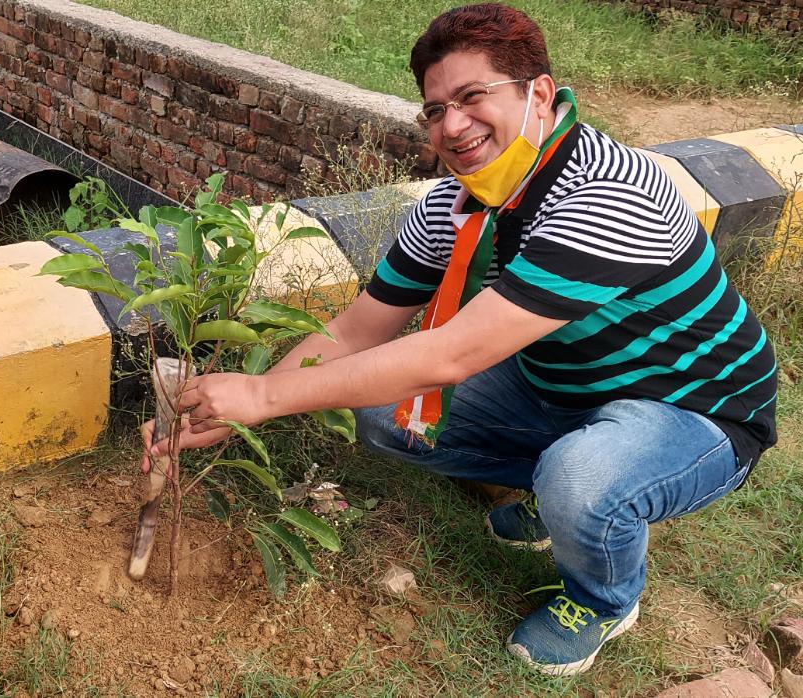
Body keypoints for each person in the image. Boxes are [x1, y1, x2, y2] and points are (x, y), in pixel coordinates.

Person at [146, 3, 777, 676]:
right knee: (385, 413)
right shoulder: (459, 206)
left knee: (583, 481)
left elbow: (450, 355)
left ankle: (604, 596)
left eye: (474, 97)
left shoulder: (608, 194)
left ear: (539, 94)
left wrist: (264, 396)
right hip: (561, 390)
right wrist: (234, 409)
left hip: (694, 412)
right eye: (435, 109)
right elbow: (356, 330)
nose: (452, 126)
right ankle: (560, 491)